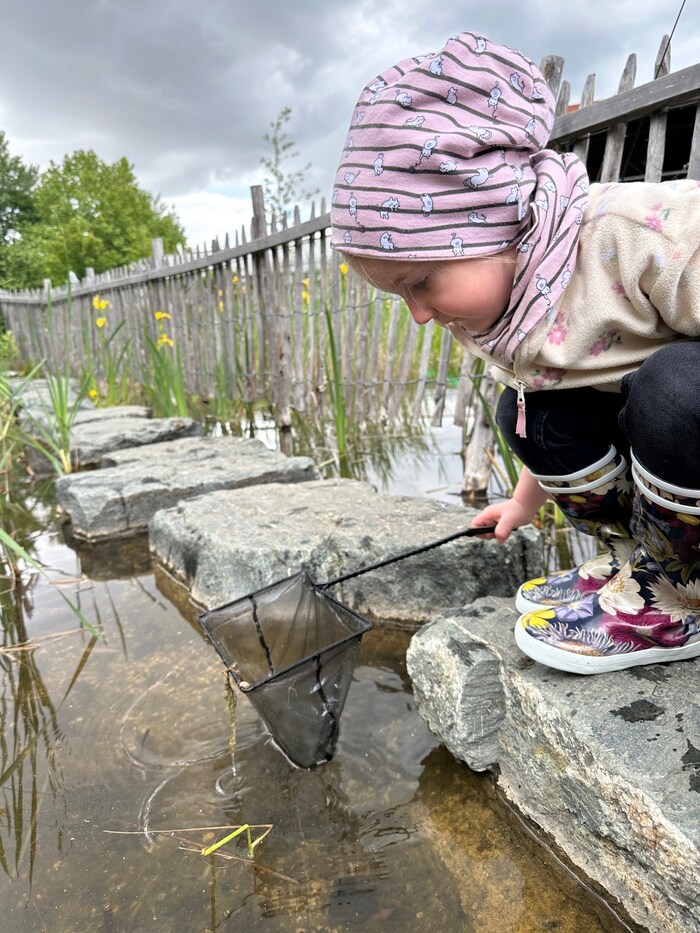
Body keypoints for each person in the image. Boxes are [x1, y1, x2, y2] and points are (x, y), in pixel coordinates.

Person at [329, 31, 700, 675]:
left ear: (500, 223)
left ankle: (684, 593)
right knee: (527, 411)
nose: (418, 313)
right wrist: (524, 503)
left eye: (421, 282)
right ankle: (645, 562)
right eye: (399, 298)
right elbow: (553, 389)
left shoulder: (640, 238)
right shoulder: (508, 310)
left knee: (677, 390)